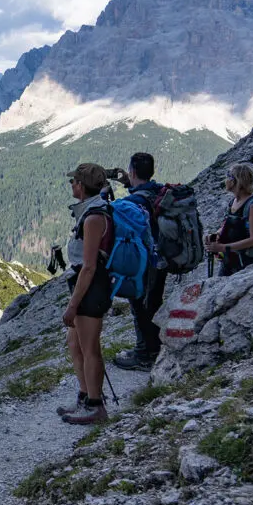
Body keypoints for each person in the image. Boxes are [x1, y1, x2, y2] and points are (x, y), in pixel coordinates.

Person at [59, 164, 112, 425]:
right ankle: (85, 396)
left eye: (73, 182)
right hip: (85, 284)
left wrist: (73, 305)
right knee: (75, 344)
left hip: (92, 287)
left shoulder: (93, 217)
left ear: (81, 185)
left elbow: (89, 266)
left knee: (90, 349)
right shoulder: (88, 212)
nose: (71, 186)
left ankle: (96, 406)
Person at [110, 153, 165, 371]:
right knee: (153, 302)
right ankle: (154, 346)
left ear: (132, 171)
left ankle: (144, 355)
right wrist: (127, 182)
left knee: (139, 306)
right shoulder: (159, 191)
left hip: (144, 261)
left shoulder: (133, 202)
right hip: (162, 258)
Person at [205, 163, 253, 276]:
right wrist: (216, 234)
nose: (226, 180)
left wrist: (222, 247)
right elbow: (227, 225)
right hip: (229, 261)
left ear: (236, 181)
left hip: (249, 264)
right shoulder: (233, 202)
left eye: (229, 176)